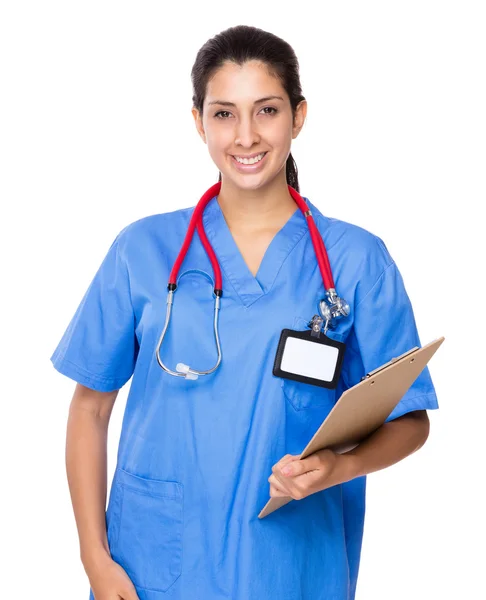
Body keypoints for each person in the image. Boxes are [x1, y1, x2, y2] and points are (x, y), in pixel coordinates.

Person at [50, 25, 439, 600]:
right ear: (198, 122)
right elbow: (89, 410)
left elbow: (410, 420)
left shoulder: (356, 260)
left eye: (267, 110)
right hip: (155, 565)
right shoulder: (143, 250)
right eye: (225, 113)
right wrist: (94, 559)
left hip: (290, 564)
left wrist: (338, 468)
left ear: (298, 117)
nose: (247, 135)